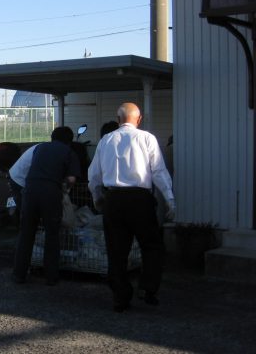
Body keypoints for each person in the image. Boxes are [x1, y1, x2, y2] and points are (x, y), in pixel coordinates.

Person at [88, 103, 176, 312]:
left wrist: (97, 197)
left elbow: (93, 175)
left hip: (113, 199)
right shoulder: (146, 138)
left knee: (116, 250)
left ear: (118, 119)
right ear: (139, 119)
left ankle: (120, 297)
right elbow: (159, 172)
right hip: (140, 199)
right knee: (152, 246)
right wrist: (170, 200)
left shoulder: (105, 140)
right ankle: (147, 288)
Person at [13, 126, 80, 286]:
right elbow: (71, 179)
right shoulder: (69, 152)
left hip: (29, 191)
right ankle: (51, 276)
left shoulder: (40, 148)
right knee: (52, 233)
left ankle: (19, 274)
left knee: (26, 233)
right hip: (50, 193)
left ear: (52, 137)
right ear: (69, 141)